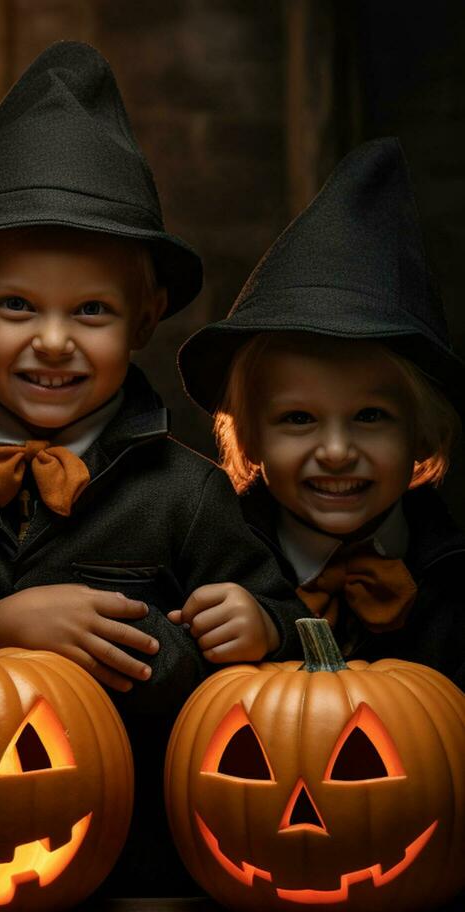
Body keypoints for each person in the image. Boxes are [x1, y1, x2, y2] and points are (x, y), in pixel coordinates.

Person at [0, 41, 305, 895]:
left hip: (140, 872)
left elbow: (252, 684)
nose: (52, 341)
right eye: (17, 306)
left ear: (143, 317)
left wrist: (260, 625)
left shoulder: (188, 491)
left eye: (90, 311)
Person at [179, 138, 465, 686]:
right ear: (252, 438)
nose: (335, 452)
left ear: (424, 433)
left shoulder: (455, 578)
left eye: (371, 416)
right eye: (298, 419)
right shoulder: (205, 552)